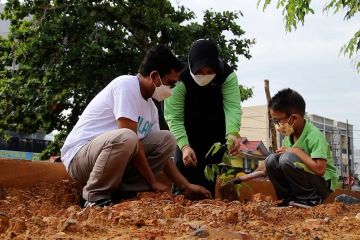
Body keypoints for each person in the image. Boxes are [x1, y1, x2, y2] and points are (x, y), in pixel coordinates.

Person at [61, 45, 211, 208]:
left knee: (167, 139)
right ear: (154, 76)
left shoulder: (151, 107)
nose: (171, 89)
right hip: (80, 159)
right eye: (170, 83)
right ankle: (94, 196)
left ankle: (125, 193)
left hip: (110, 163)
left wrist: (186, 185)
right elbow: (131, 139)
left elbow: (163, 156)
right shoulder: (126, 85)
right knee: (127, 136)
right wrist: (153, 182)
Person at [164, 39, 243, 196]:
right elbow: (174, 116)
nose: (205, 76)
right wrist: (185, 146)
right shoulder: (179, 78)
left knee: (211, 174)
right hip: (187, 130)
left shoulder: (227, 75)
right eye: (199, 72)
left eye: (209, 72)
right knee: (184, 172)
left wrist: (233, 134)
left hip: (215, 130)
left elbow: (232, 107)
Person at [265, 88, 338, 206]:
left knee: (286, 158)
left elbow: (320, 169)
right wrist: (268, 167)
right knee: (271, 159)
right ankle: (289, 198)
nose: (278, 126)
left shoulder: (314, 135)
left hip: (322, 185)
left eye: (278, 121)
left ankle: (311, 199)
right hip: (305, 181)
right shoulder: (289, 136)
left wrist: (296, 151)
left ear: (293, 118)